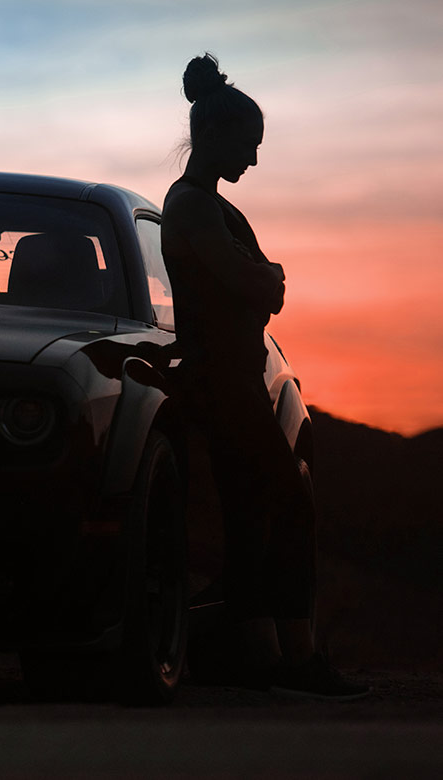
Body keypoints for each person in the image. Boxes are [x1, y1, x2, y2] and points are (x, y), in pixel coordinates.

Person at [161, 53, 368, 699]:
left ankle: (262, 654)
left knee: (254, 513)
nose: (251, 159)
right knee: (289, 504)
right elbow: (253, 282)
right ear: (215, 136)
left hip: (232, 379)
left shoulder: (205, 206)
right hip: (223, 382)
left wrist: (262, 281)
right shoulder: (193, 206)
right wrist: (270, 277)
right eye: (247, 145)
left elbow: (253, 284)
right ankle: (292, 655)